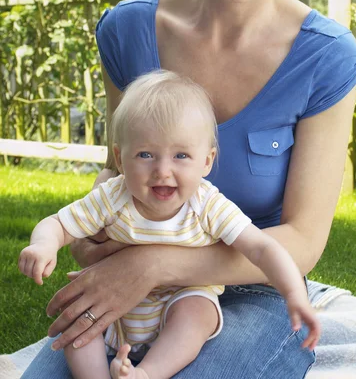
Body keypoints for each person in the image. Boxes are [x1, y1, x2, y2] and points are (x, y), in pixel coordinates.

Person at [21, 0, 356, 379]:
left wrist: (153, 264)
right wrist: (91, 241)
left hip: (254, 286)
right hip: (132, 283)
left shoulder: (325, 59)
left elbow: (302, 241)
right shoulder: (129, 31)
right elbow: (118, 169)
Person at [19, 71, 320, 379]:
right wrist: (44, 243)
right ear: (120, 159)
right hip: (115, 307)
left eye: (181, 155)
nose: (163, 171)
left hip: (177, 301)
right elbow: (58, 223)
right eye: (146, 154)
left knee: (197, 311)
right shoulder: (112, 197)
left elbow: (261, 248)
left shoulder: (206, 205)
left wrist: (294, 292)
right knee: (78, 323)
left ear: (207, 161)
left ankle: (147, 373)